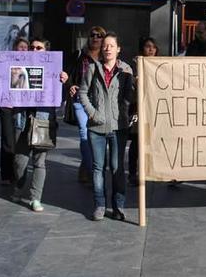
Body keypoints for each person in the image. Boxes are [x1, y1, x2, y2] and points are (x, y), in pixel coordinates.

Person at [79, 32, 135, 221]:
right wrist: (93, 113)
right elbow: (83, 93)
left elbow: (131, 96)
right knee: (98, 168)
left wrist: (135, 87)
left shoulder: (127, 70)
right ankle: (100, 204)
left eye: (112, 45)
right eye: (105, 46)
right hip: (96, 127)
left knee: (117, 167)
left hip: (119, 126)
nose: (108, 48)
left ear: (118, 49)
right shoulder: (93, 68)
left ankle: (118, 205)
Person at [11, 37, 69, 213]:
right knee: (20, 160)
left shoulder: (54, 71)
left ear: (46, 52)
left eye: (39, 48)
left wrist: (64, 83)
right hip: (22, 119)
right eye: (32, 47)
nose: (35, 50)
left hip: (43, 119)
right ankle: (18, 187)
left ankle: (35, 198)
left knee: (39, 161)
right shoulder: (18, 68)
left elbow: (61, 98)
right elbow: (7, 89)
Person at [68, 25, 106, 183]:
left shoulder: (107, 57)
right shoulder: (79, 56)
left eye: (99, 35)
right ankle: (94, 174)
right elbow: (68, 74)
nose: (95, 38)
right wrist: (71, 84)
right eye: (92, 35)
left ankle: (86, 167)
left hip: (101, 101)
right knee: (85, 134)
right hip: (81, 100)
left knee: (97, 136)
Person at [128, 36, 159, 186]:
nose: (151, 49)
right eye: (148, 46)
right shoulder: (136, 65)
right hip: (138, 109)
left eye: (153, 46)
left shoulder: (160, 66)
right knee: (136, 140)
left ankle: (148, 170)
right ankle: (133, 173)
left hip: (154, 109)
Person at [0, 37, 28, 185]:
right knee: (8, 140)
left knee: (20, 139)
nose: (23, 50)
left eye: (25, 48)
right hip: (7, 105)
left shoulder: (32, 63)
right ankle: (6, 175)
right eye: (20, 47)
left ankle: (19, 174)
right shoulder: (5, 62)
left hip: (23, 105)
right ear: (14, 48)